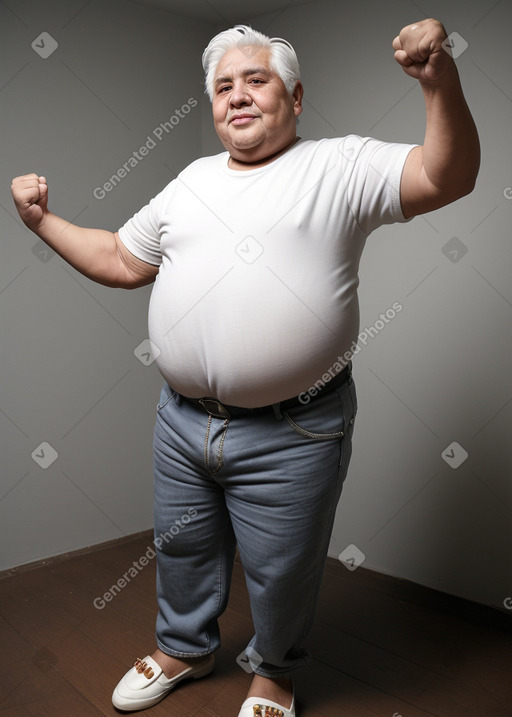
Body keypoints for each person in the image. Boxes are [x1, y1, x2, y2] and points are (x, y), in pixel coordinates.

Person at [11, 18, 479, 717]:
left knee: (281, 568)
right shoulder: (191, 181)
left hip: (295, 429)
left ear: (294, 97)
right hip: (181, 421)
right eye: (223, 86)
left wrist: (438, 80)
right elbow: (118, 258)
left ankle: (276, 673)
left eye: (255, 80)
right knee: (183, 548)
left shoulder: (340, 165)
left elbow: (449, 175)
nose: (237, 95)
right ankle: (185, 648)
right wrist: (42, 220)